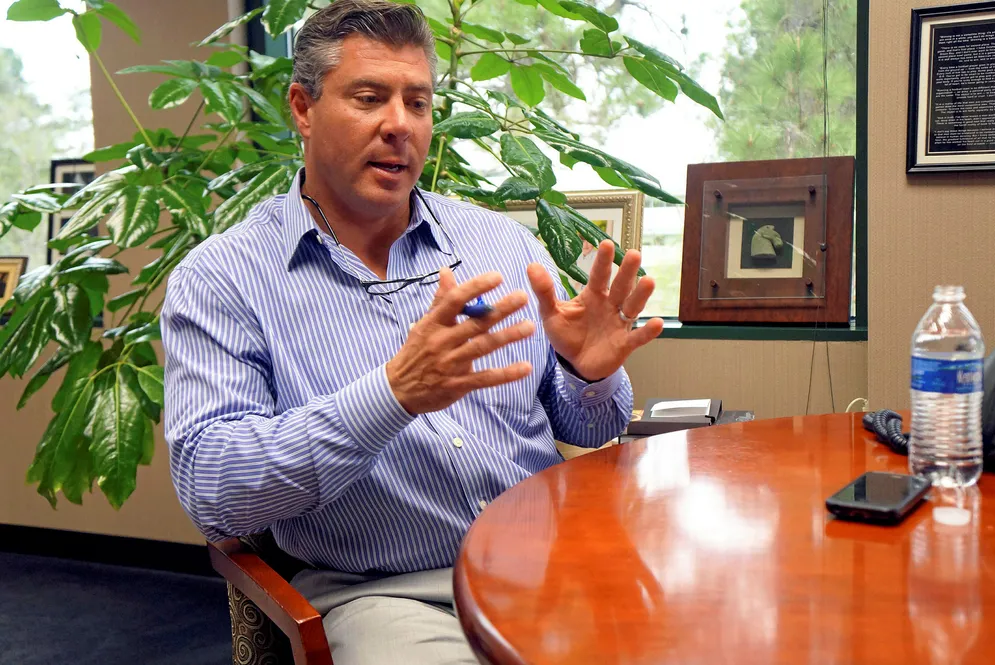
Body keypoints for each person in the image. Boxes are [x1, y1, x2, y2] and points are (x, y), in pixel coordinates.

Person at [161, 1, 664, 663]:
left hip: (553, 560)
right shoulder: (223, 278)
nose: (399, 124)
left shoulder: (501, 244)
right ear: (303, 109)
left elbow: (594, 427)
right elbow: (214, 490)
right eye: (369, 98)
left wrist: (589, 374)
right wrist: (392, 394)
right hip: (389, 595)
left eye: (418, 103)